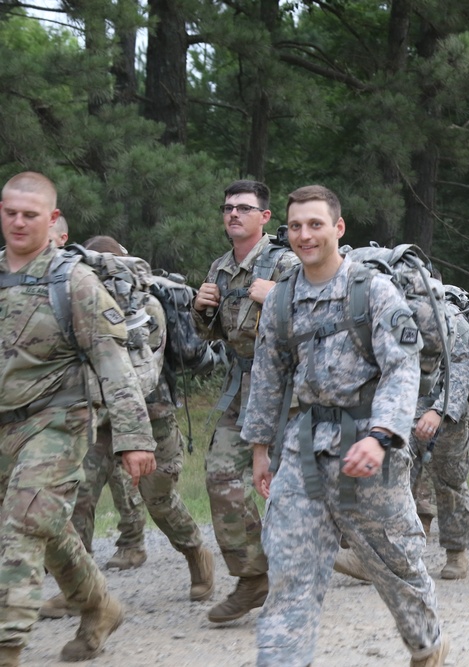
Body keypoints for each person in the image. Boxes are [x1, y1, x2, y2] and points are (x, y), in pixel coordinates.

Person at [242, 185, 448, 667]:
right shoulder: (281, 299)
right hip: (303, 448)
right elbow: (268, 375)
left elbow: (402, 366)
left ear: (338, 228)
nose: (304, 235)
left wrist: (381, 437)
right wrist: (259, 449)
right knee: (290, 571)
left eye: (315, 224)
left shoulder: (372, 290)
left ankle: (427, 644)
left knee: (394, 565)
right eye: (295, 226)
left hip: (368, 448)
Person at [0, 172, 157, 664]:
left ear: (52, 220)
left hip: (57, 421)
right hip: (6, 424)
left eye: (31, 215)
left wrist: (135, 437)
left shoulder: (74, 282)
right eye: (11, 213)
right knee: (48, 527)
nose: (19, 222)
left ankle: (8, 645)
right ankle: (100, 606)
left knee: (23, 525)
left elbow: (114, 364)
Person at [40, 236, 216, 620]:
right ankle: (77, 589)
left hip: (151, 417)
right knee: (77, 499)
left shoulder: (146, 305)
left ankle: (196, 552)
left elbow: (143, 372)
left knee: (160, 500)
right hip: (97, 420)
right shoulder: (75, 301)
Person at [193, 180, 299, 623]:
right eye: (228, 208)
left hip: (290, 389)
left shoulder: (287, 262)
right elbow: (216, 334)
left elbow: (320, 315)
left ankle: (299, 584)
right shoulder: (220, 268)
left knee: (291, 488)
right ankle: (254, 576)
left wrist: (276, 298)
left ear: (265, 217)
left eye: (244, 208)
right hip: (242, 386)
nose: (233, 214)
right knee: (221, 474)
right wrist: (200, 311)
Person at [409, 290, 469, 580]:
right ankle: (396, 554)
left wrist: (439, 411)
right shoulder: (387, 313)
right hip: (402, 412)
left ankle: (456, 551)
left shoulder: (452, 320)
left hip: (446, 416)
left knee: (449, 483)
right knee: (395, 483)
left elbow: (460, 372)